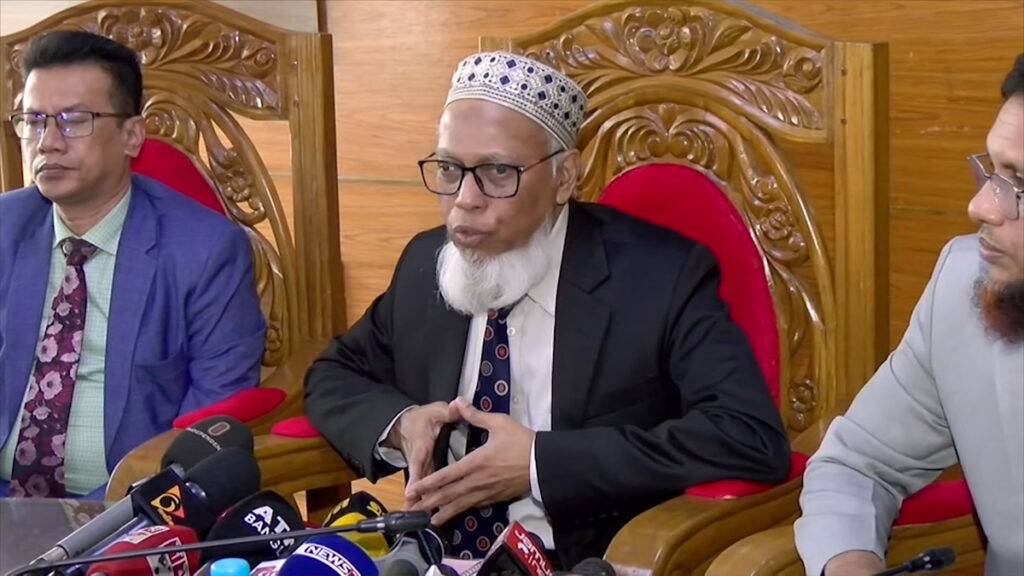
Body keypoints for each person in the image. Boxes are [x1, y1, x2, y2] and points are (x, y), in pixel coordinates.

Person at [305, 51, 789, 564]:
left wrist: (539, 463)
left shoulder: (659, 277)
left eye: (496, 172)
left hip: (585, 563)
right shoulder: (428, 261)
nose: (464, 199)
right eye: (449, 168)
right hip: (433, 558)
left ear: (564, 178)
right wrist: (402, 423)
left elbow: (748, 436)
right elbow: (333, 374)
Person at [0, 31, 266, 499]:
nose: (48, 143)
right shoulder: (6, 229)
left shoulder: (205, 251)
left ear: (132, 135)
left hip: (126, 509)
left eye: (74, 121)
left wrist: (111, 515)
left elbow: (214, 420)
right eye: (33, 121)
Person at [795, 53, 1024, 576]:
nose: (982, 206)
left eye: (1020, 181)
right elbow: (859, 464)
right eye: (992, 170)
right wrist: (850, 561)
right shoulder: (966, 289)